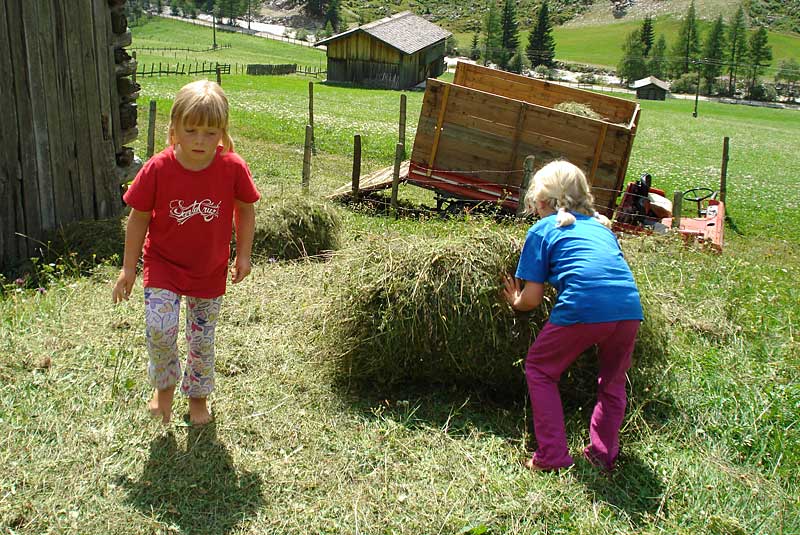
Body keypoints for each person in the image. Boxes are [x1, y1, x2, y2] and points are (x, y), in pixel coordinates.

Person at [112, 80, 260, 425]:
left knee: (201, 339)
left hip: (209, 270)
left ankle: (197, 398)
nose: (199, 140)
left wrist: (243, 255)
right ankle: (163, 388)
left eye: (210, 133)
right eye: (191, 130)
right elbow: (138, 219)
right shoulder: (158, 169)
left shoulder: (232, 168)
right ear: (174, 128)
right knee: (160, 327)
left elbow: (246, 209)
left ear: (222, 132)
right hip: (164, 265)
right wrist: (128, 269)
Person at [503, 160, 642, 472]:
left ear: (540, 201)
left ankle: (552, 454)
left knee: (540, 368)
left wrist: (515, 300)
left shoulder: (541, 230)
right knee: (612, 381)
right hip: (629, 309)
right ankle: (603, 454)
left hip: (585, 306)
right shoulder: (603, 229)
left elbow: (533, 299)